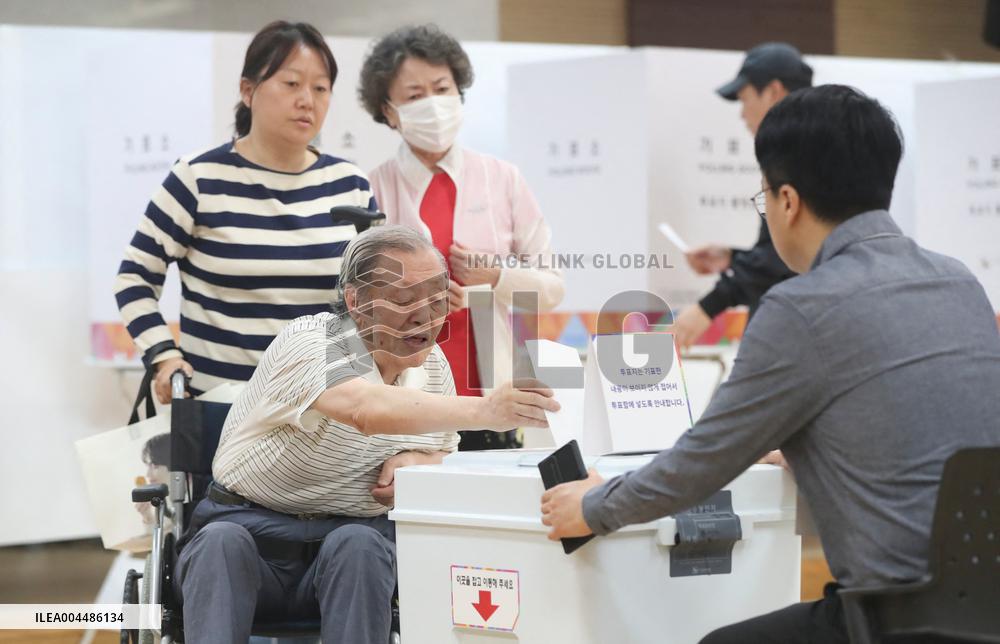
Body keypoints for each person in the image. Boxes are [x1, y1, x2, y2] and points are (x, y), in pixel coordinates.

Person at [539, 85, 1000, 643]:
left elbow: (703, 461)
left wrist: (593, 506)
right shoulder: (959, 281)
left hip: (895, 615)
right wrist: (822, 445)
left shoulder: (802, 307)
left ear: (787, 201)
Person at [174, 225, 559, 644]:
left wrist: (420, 463)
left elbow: (444, 457)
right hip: (249, 536)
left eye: (436, 299)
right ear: (356, 301)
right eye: (404, 300)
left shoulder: (434, 368)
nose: (425, 316)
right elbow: (362, 409)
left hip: (348, 551)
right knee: (222, 543)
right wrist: (486, 411)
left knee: (360, 543)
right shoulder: (313, 339)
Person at [114, 21, 376, 401]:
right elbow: (135, 277)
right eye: (291, 83)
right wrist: (164, 355)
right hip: (220, 409)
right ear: (248, 90)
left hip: (323, 411)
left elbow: (369, 298)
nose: (307, 100)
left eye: (320, 88)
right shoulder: (198, 178)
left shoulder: (350, 183)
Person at [358, 24, 565, 450]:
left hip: (494, 401)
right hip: (405, 409)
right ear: (389, 111)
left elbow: (552, 290)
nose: (433, 105)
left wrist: (495, 278)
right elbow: (354, 303)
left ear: (459, 93)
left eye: (442, 89)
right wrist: (415, 301)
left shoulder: (502, 179)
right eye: (415, 95)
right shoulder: (371, 188)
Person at [672, 43, 806, 350]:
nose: (743, 115)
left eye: (745, 99)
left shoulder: (797, 154)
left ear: (773, 92)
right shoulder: (811, 147)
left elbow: (784, 258)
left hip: (794, 330)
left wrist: (709, 305)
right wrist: (732, 257)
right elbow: (784, 252)